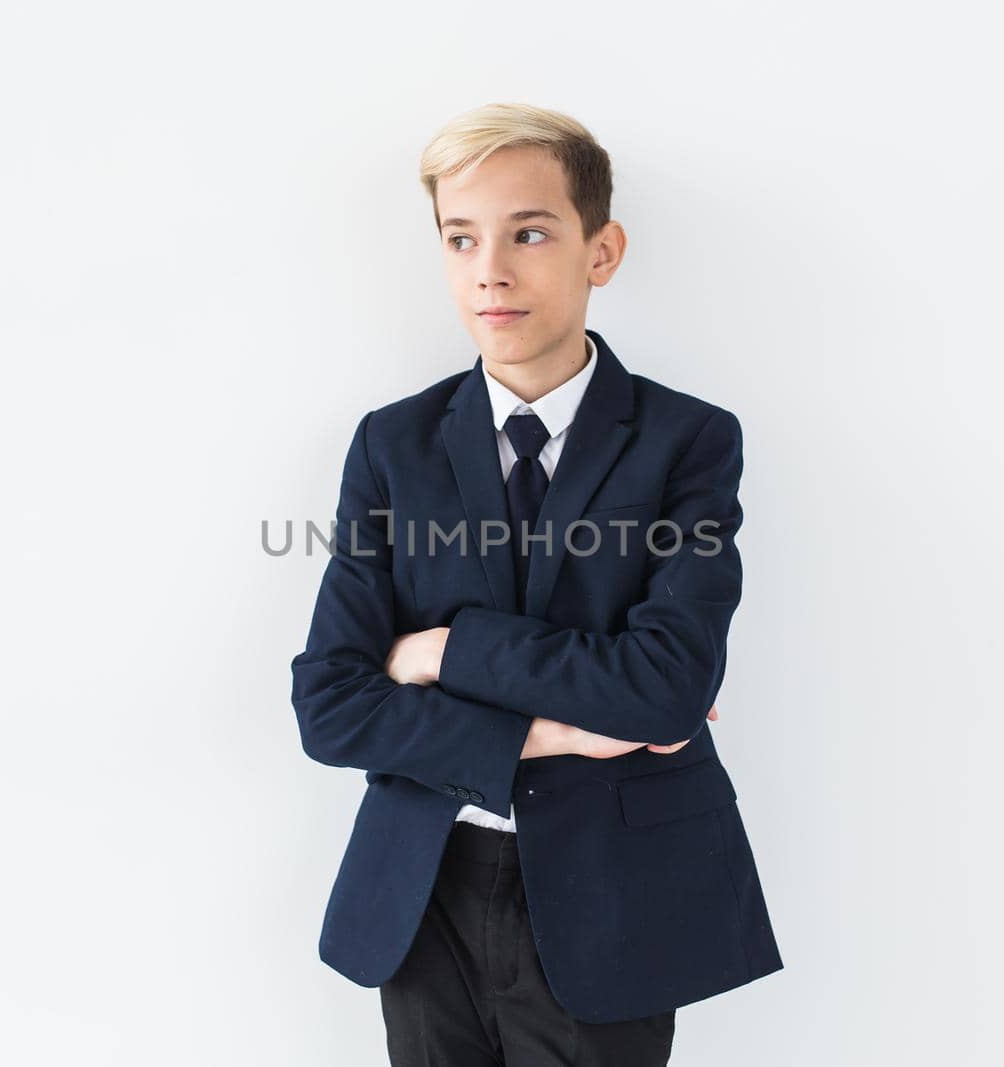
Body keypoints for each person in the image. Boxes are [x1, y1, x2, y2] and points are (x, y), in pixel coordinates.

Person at [289, 102, 783, 1066]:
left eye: (529, 232)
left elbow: (666, 685)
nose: (491, 270)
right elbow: (329, 705)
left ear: (601, 252)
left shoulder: (689, 442)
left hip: (612, 890)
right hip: (423, 885)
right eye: (461, 238)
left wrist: (441, 650)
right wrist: (546, 730)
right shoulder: (393, 445)